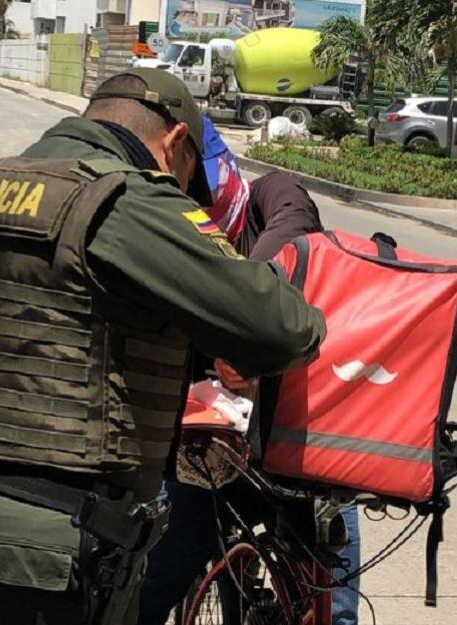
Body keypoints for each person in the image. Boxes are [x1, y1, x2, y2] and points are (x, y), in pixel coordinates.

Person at [0, 69, 325, 625]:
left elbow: (58, 326)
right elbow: (284, 327)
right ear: (175, 143)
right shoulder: (125, 200)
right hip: (40, 546)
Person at [137, 117, 361, 625]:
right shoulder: (163, 234)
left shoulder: (274, 196)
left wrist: (246, 333)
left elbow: (292, 229)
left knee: (334, 574)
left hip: (288, 433)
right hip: (208, 448)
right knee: (164, 565)